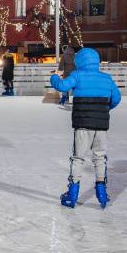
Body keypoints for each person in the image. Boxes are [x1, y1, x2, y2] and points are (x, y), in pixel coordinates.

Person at [50, 48, 121, 209]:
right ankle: (102, 193)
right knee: (100, 157)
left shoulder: (77, 75)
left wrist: (54, 76)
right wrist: (104, 110)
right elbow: (116, 98)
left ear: (79, 62)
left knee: (78, 157)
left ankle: (73, 194)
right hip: (101, 126)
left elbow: (62, 86)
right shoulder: (106, 78)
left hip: (82, 125)